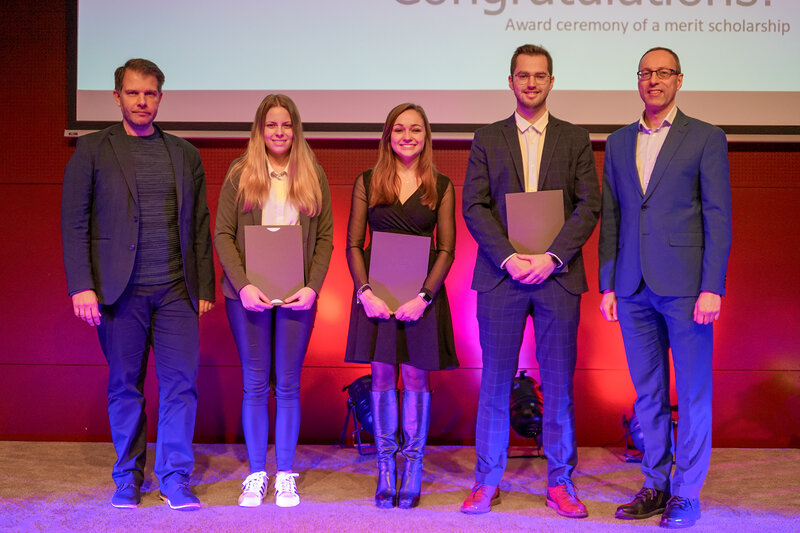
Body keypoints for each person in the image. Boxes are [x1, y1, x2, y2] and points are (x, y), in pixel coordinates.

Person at [61, 58, 215, 510]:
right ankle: (127, 476)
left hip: (176, 291)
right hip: (117, 293)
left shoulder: (185, 153)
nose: (142, 101)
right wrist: (80, 286)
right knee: (124, 385)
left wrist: (204, 284)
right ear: (117, 97)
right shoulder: (91, 149)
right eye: (133, 93)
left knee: (180, 386)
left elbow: (200, 224)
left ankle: (173, 477)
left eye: (150, 93)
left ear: (160, 98)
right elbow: (75, 223)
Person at [461, 44, 600, 517]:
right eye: (523, 75)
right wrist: (509, 258)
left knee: (558, 386)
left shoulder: (575, 138)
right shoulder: (487, 137)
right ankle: (487, 481)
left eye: (540, 76)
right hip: (503, 278)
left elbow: (589, 206)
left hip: (557, 278)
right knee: (495, 384)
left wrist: (553, 257)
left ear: (552, 82)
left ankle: (560, 483)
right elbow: (474, 205)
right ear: (511, 81)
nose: (532, 83)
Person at [599, 47, 732, 529]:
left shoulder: (707, 138)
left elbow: (718, 215)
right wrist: (608, 282)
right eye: (645, 73)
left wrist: (712, 285)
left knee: (693, 393)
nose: (653, 80)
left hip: (686, 286)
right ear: (638, 81)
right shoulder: (616, 142)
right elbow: (612, 215)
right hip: (632, 286)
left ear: (679, 80)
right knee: (648, 392)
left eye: (663, 73)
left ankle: (687, 493)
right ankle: (655, 483)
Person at [214, 94, 333, 508]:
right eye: (271, 126)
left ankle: (285, 473)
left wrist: (313, 287)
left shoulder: (312, 174)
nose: (279, 133)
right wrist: (243, 285)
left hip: (297, 296)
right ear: (259, 130)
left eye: (286, 126)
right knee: (253, 384)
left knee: (287, 385)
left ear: (296, 130)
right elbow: (223, 236)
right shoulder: (240, 174)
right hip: (247, 296)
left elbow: (324, 240)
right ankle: (255, 474)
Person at [344, 103, 458, 509]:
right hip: (375, 298)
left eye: (415, 129)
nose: (407, 136)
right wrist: (365, 292)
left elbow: (447, 249)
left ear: (426, 136)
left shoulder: (441, 185)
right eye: (399, 129)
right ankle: (385, 470)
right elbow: (354, 244)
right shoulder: (367, 181)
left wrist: (424, 297)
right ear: (387, 136)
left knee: (415, 381)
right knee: (380, 380)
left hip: (420, 301)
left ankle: (412, 469)